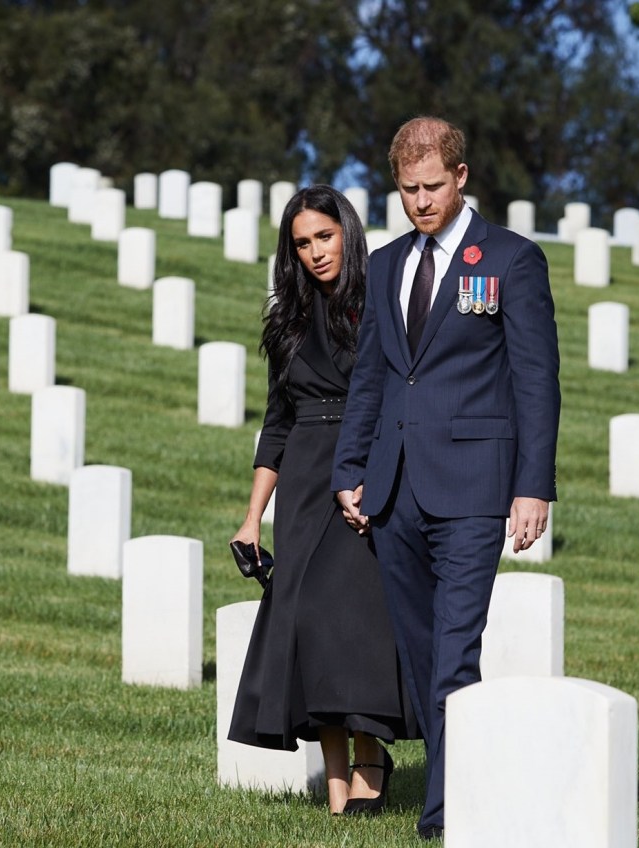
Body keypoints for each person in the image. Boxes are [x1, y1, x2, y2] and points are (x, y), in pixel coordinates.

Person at [331, 117, 561, 840]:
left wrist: (534, 485)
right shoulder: (391, 262)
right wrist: (350, 468)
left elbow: (536, 379)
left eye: (433, 186)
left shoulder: (512, 261)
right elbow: (371, 375)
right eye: (408, 190)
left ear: (462, 178)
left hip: (473, 487)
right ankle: (471, 783)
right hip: (394, 488)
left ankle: (447, 815)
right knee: (422, 652)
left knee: (456, 650)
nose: (422, 202)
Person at [228, 184, 419, 816]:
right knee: (308, 624)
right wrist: (253, 517)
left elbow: (398, 395)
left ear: (349, 233)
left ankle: (371, 755)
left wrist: (375, 471)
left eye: (325, 236)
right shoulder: (287, 319)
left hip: (362, 466)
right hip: (305, 480)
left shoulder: (380, 302)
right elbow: (276, 423)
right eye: (302, 242)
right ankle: (338, 788)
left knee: (351, 622)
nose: (315, 252)